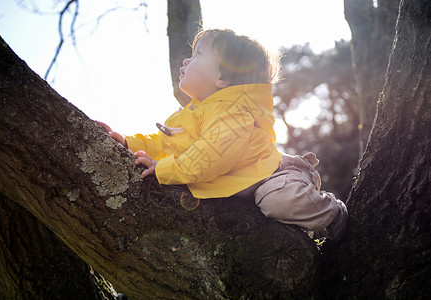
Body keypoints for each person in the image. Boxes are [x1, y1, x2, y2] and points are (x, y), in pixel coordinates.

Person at [97, 28, 348, 242]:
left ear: (222, 78)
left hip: (272, 174)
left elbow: (211, 155)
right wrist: (129, 143)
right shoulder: (194, 113)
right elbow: (166, 143)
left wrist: (163, 169)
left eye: (197, 55)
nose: (186, 61)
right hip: (243, 183)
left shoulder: (233, 112)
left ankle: (331, 212)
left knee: (276, 201)